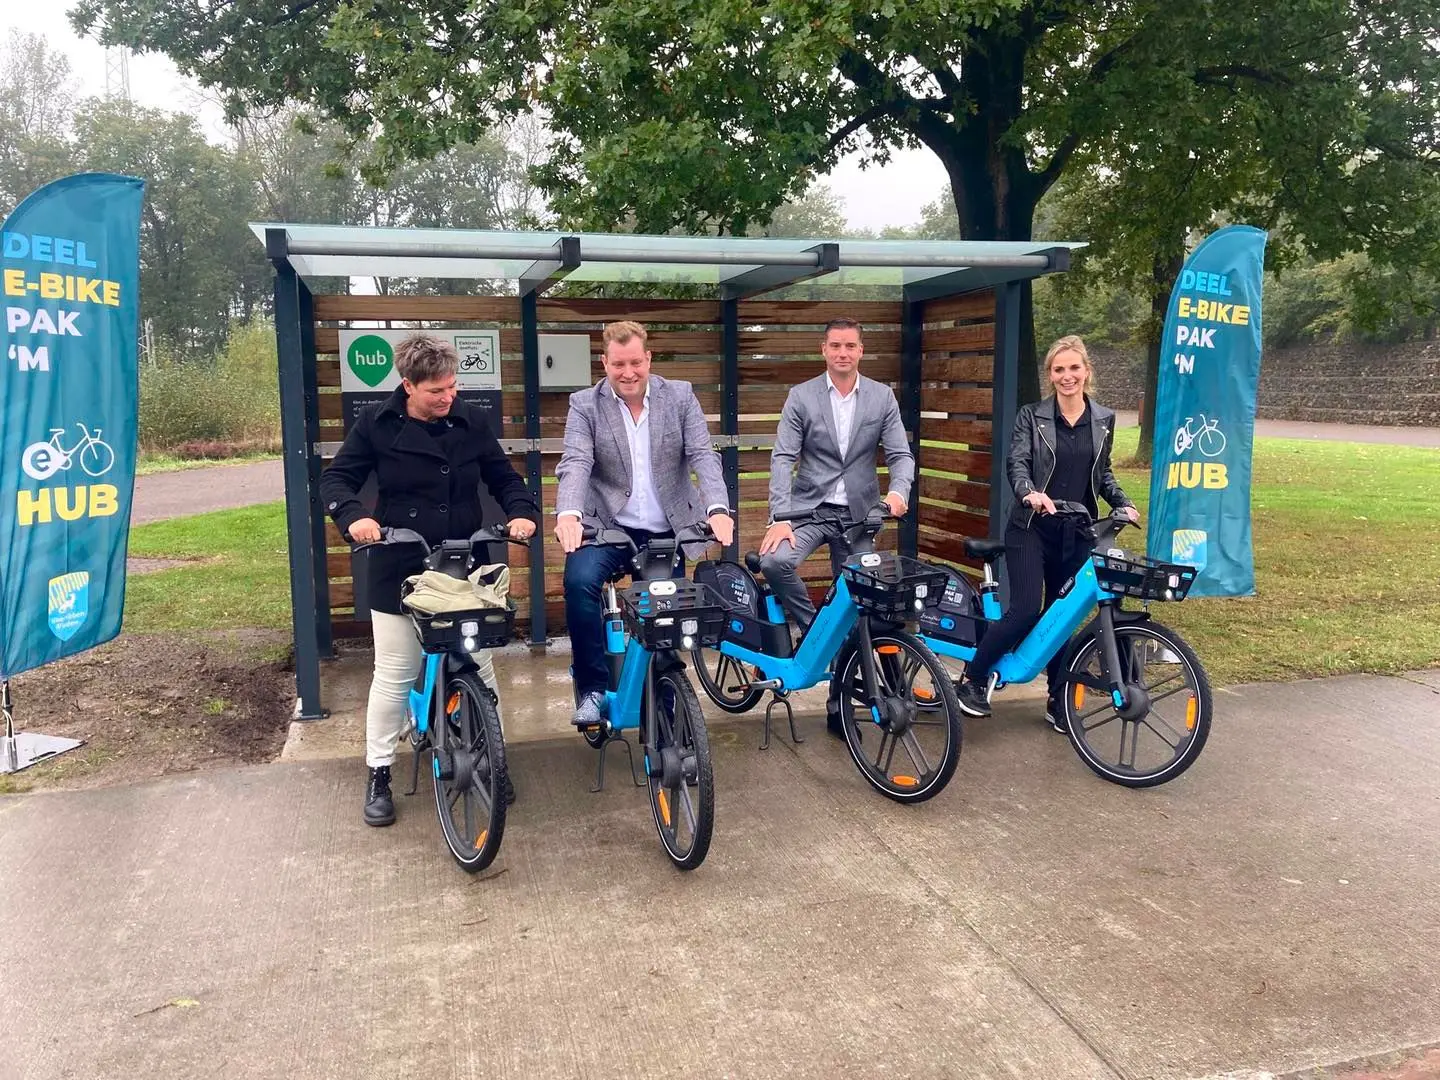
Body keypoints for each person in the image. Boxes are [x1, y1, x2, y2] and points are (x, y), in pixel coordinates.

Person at [320, 334, 539, 827]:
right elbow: (336, 481)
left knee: (479, 665)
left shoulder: (470, 419)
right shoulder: (375, 424)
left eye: (453, 387)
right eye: (437, 390)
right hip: (401, 564)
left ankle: (491, 758)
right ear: (408, 385)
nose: (448, 398)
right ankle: (379, 772)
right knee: (395, 673)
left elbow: (503, 477)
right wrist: (354, 517)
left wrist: (522, 511)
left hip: (465, 563)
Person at [953, 334, 1138, 729]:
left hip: (1077, 530)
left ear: (1087, 372)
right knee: (1025, 610)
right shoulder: (1032, 416)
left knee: (1063, 617)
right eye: (1059, 369)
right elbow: (1016, 462)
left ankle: (1058, 699)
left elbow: (1102, 472)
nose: (1067, 376)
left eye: (1074, 368)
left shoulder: (1103, 419)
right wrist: (1029, 493)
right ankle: (972, 678)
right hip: (1032, 527)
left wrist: (1122, 501)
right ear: (1050, 375)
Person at [555, 320, 734, 728]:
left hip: (664, 530)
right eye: (618, 364)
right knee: (579, 583)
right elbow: (576, 461)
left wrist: (718, 508)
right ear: (604, 362)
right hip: (606, 527)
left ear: (648, 358)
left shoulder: (680, 396)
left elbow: (703, 455)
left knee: (665, 618)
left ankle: (666, 707)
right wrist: (568, 513)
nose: (628, 372)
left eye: (636, 362)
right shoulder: (586, 404)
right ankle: (593, 689)